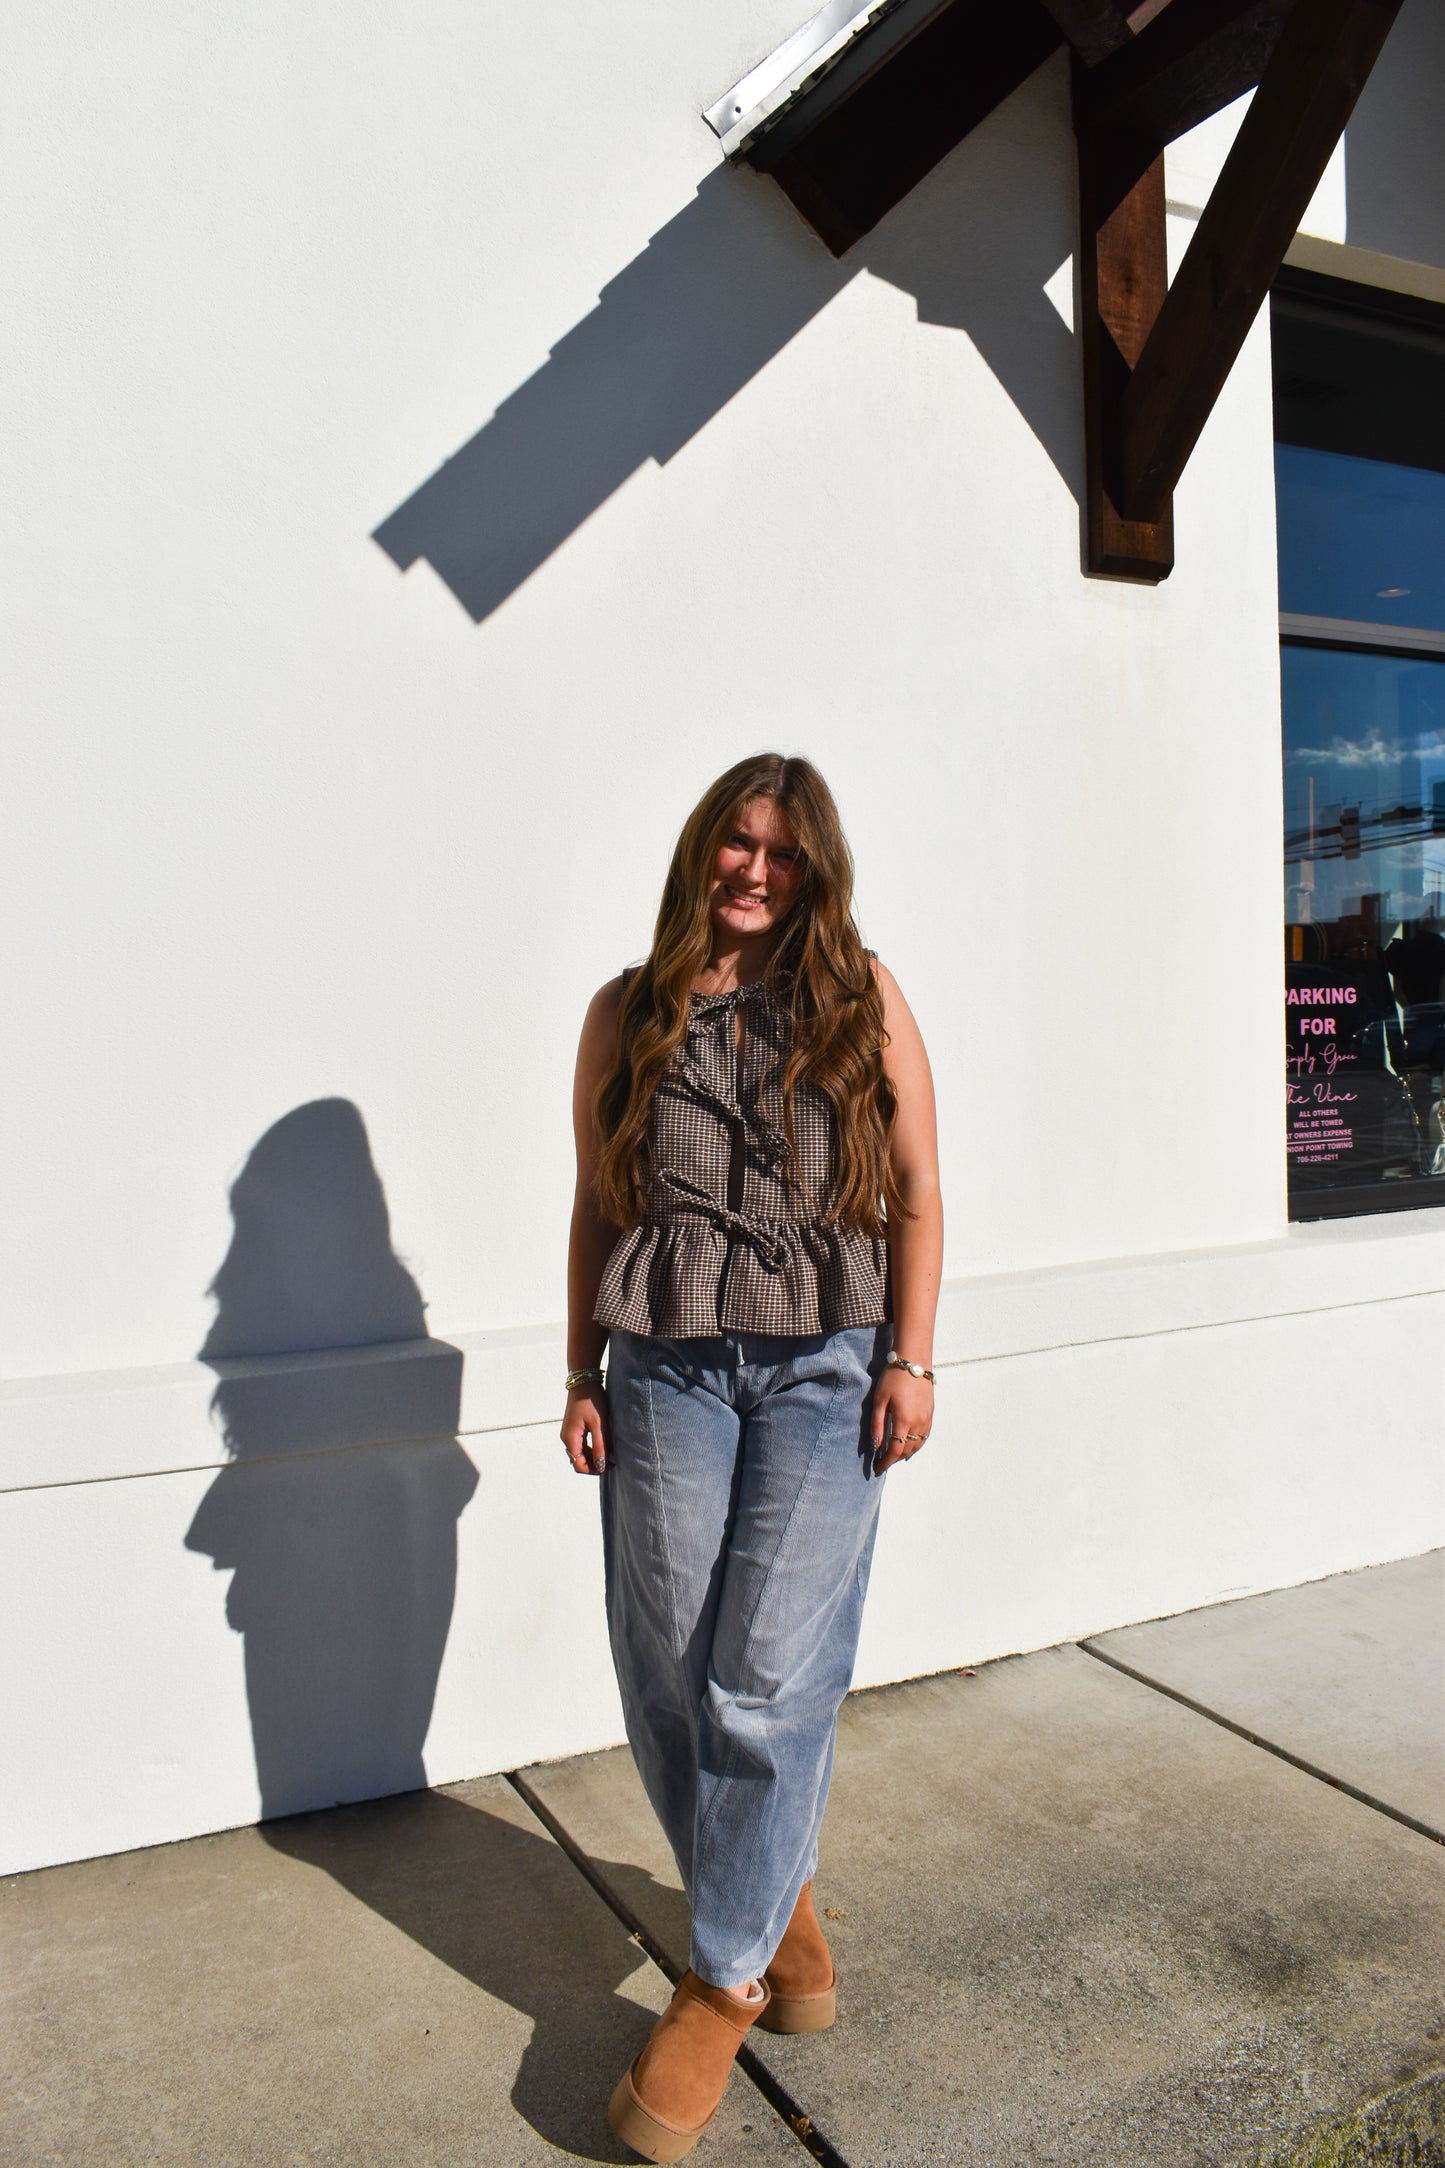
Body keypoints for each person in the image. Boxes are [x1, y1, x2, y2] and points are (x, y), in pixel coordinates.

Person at [562, 753, 942, 2163]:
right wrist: (574, 1369)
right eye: (735, 842)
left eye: (781, 851)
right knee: (667, 1659)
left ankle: (717, 1984)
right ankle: (777, 1906)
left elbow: (916, 1191)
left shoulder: (859, 997)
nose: (754, 871)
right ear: (700, 850)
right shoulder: (629, 1009)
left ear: (815, 868)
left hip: (827, 1360)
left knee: (770, 1674)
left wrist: (910, 1356)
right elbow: (598, 1203)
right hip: (663, 1359)